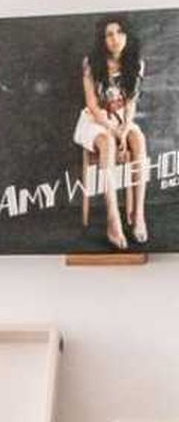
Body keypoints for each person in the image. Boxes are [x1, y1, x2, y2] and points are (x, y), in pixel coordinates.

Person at [75, 15, 149, 248]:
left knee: (138, 138)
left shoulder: (136, 63)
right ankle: (113, 219)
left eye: (119, 32)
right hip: (95, 121)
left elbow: (131, 103)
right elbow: (93, 106)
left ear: (127, 36)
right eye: (109, 34)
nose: (115, 38)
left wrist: (125, 128)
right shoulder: (91, 62)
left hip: (120, 119)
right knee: (106, 142)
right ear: (103, 39)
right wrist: (114, 132)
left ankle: (138, 215)